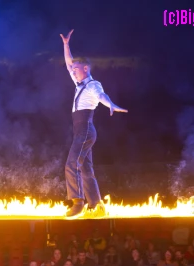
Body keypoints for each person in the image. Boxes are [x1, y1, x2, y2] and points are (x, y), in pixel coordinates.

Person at [59, 29, 128, 218]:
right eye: (73, 69)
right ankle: (97, 205)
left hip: (85, 130)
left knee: (72, 165)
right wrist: (66, 45)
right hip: (81, 131)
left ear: (86, 69)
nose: (73, 70)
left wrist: (111, 104)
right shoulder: (79, 84)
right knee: (86, 169)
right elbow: (68, 64)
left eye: (76, 68)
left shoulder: (93, 85)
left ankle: (78, 202)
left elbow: (102, 96)